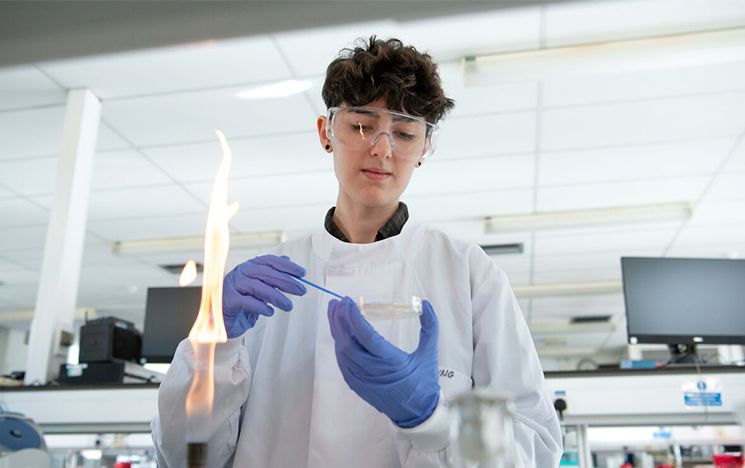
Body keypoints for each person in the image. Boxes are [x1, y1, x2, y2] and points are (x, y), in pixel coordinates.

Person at [152, 36, 562, 467]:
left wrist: (430, 419)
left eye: (404, 133)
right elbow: (183, 457)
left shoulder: (468, 273)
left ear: (424, 149)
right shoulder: (264, 285)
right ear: (326, 132)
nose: (382, 149)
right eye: (362, 126)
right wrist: (212, 348)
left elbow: (534, 450)